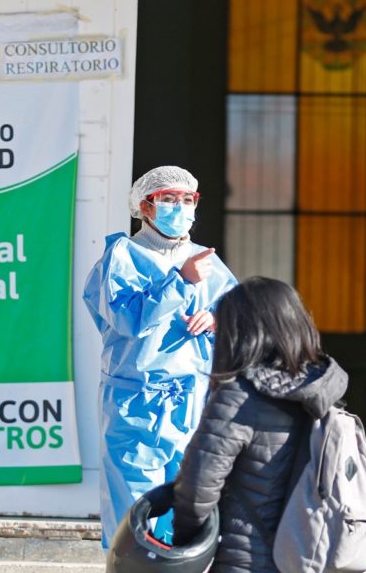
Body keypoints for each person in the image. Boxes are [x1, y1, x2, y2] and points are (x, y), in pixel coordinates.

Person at [83, 165, 237, 549]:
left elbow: (241, 317)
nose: (179, 207)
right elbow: (127, 320)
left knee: (188, 500)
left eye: (187, 200)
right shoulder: (122, 256)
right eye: (168, 199)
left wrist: (219, 320)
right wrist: (180, 282)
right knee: (136, 503)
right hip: (137, 398)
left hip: (192, 397)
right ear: (145, 206)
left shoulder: (207, 262)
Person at [171, 276, 349, 572]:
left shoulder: (238, 398)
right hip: (312, 558)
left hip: (246, 561)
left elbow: (196, 490)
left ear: (240, 334)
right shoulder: (327, 394)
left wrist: (187, 543)